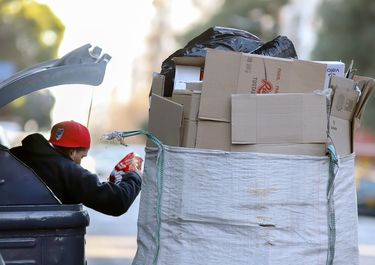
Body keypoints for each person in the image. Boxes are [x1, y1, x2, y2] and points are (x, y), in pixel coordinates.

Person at [10, 120, 142, 216]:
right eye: (82, 157)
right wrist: (134, 175)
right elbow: (118, 202)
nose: (80, 163)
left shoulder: (17, 154)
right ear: (73, 152)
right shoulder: (68, 171)